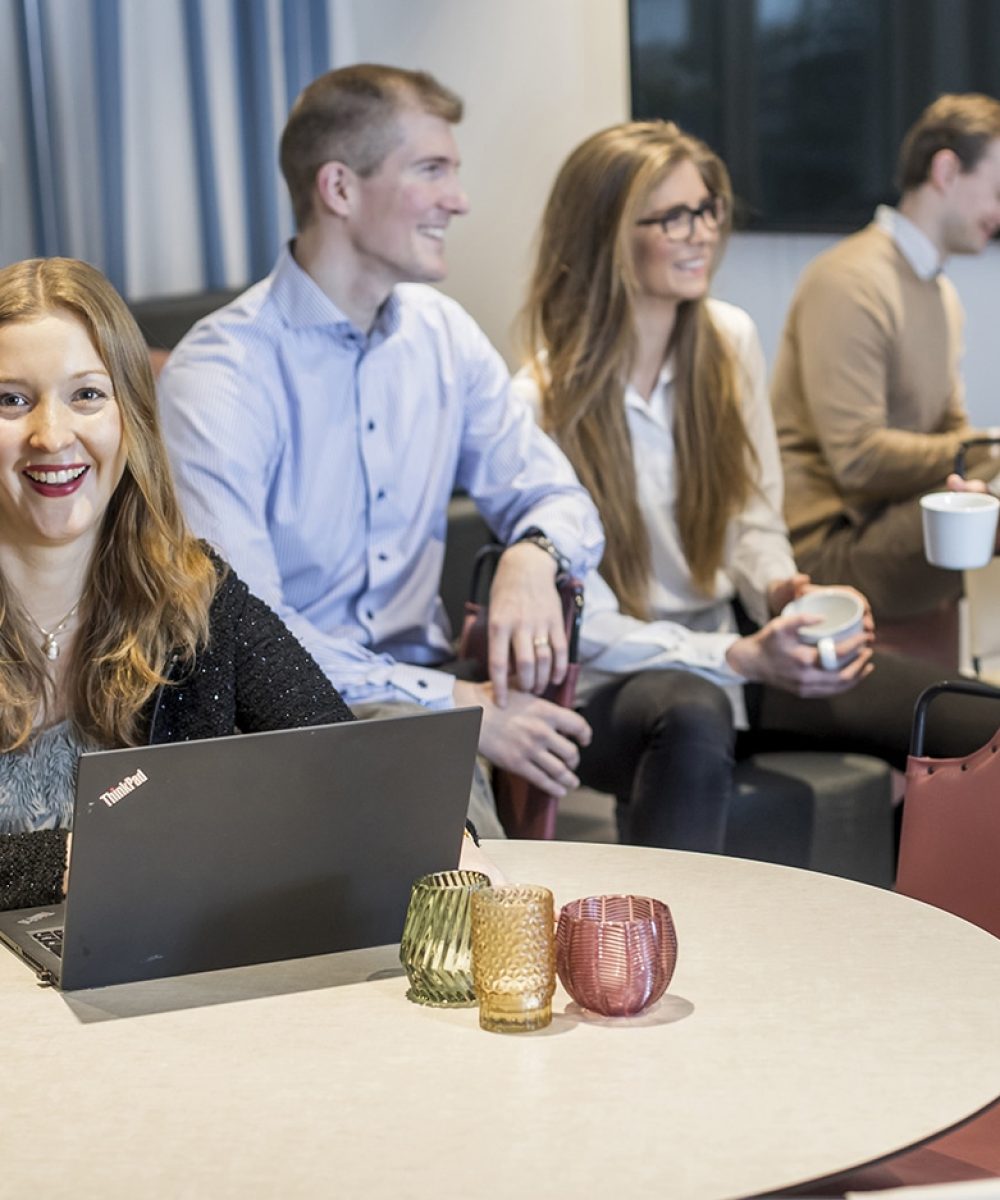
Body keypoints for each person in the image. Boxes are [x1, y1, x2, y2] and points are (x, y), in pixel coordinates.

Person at [515, 120, 1000, 851]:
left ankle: (925, 926)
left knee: (970, 714)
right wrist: (736, 660)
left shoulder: (727, 340)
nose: (701, 233)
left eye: (707, 209)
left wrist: (783, 594)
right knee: (692, 713)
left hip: (730, 647)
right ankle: (666, 954)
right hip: (613, 681)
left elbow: (751, 519)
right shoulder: (538, 399)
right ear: (606, 233)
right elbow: (586, 625)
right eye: (673, 216)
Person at [157, 64, 603, 837]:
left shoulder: (442, 332)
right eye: (432, 169)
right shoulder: (219, 375)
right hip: (293, 711)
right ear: (339, 188)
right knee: (465, 860)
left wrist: (534, 554)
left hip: (434, 684)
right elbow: (252, 637)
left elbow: (560, 498)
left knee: (674, 713)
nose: (458, 200)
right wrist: (460, 710)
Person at [0, 256, 494, 912]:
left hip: (158, 990)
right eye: (12, 399)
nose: (52, 434)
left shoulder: (193, 594)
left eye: (87, 394)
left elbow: (340, 762)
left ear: (131, 417)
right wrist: (75, 857)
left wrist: (445, 851)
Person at [771, 93, 1000, 623]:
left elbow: (955, 438)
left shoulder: (941, 297)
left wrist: (980, 460)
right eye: (996, 188)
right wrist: (988, 448)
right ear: (946, 169)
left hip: (894, 519)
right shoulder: (850, 281)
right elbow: (858, 459)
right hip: (830, 545)